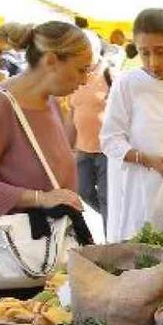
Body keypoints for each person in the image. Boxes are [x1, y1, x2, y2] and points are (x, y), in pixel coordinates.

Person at [0, 21, 88, 299]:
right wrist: (40, 198)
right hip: (22, 258)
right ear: (51, 60)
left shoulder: (49, 101)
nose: (84, 80)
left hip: (58, 247)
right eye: (81, 69)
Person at [101, 8, 163, 241]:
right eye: (144, 53)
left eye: (160, 52)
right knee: (145, 255)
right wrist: (147, 159)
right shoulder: (127, 84)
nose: (153, 62)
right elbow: (110, 140)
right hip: (140, 191)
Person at [70, 47, 109, 220]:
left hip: (105, 150)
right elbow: (72, 112)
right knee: (83, 191)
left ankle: (112, 239)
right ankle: (112, 217)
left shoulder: (109, 74)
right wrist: (67, 146)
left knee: (106, 197)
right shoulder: (75, 77)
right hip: (83, 148)